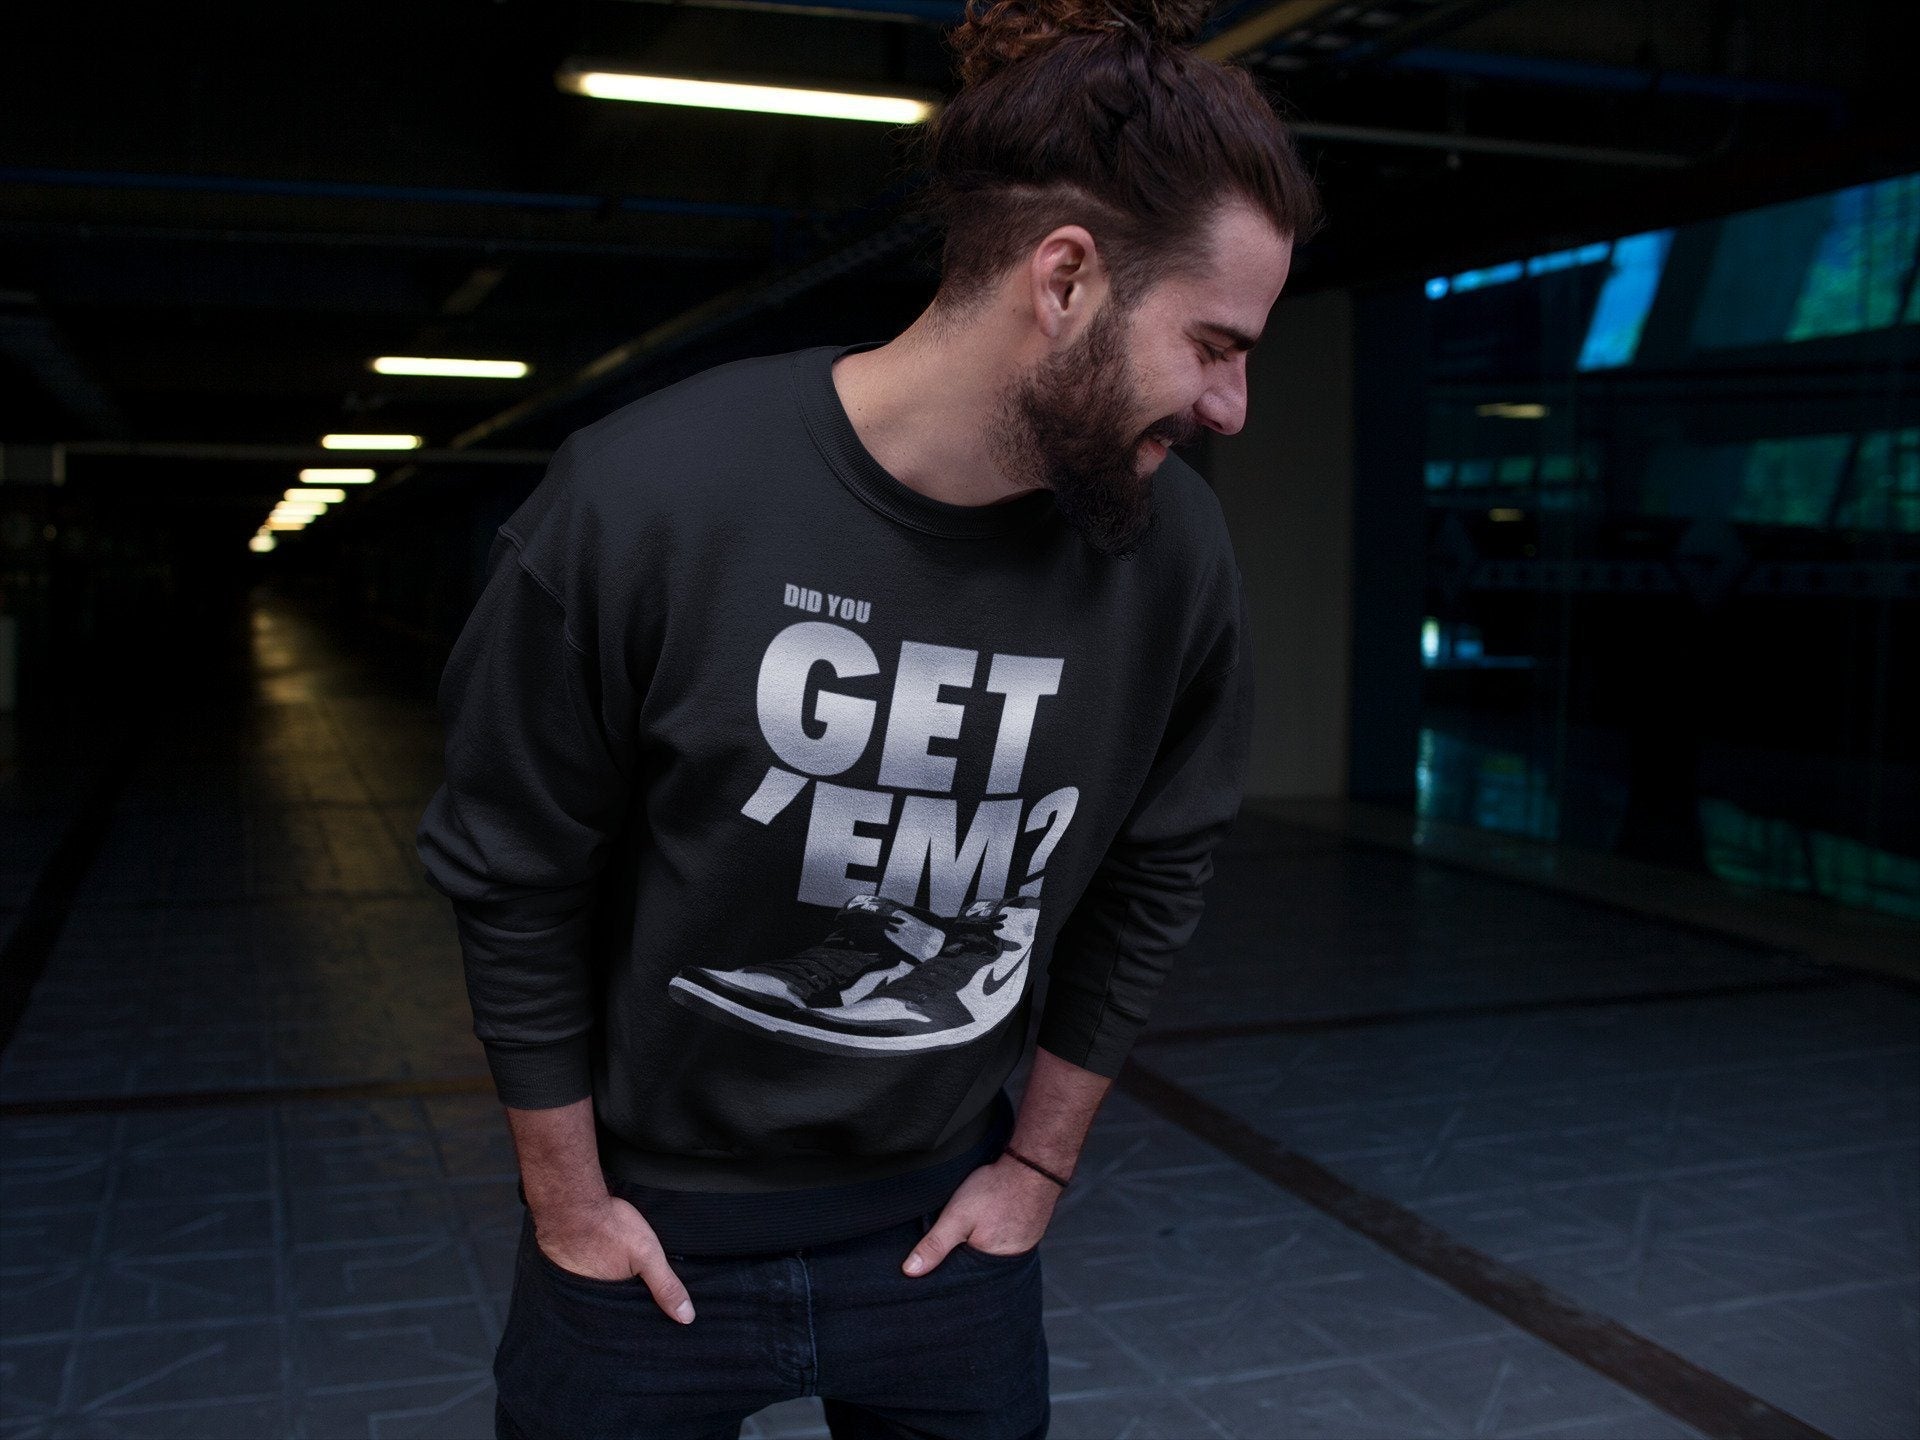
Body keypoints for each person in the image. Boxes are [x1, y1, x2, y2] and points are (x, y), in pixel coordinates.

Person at [414, 0, 1319, 1435]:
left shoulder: (1172, 558)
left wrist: (1037, 1170)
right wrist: (568, 1204)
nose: (1234, 406)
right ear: (1066, 278)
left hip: (943, 1238)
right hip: (643, 1239)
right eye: (1215, 343)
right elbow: (514, 872)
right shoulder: (649, 501)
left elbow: (1155, 876)